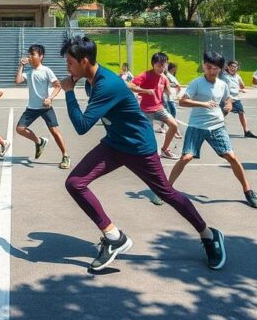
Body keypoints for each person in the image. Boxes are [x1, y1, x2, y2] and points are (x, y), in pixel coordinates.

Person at [59, 35, 226, 272]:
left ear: (84, 61)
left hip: (138, 147)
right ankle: (114, 236)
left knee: (166, 193)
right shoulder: (91, 80)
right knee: (75, 183)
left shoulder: (105, 84)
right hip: (115, 143)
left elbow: (82, 126)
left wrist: (68, 92)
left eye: (70, 62)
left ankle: (209, 234)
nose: (67, 68)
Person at [153, 52, 257, 209]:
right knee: (186, 158)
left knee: (231, 157)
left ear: (220, 69)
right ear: (204, 65)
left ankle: (248, 191)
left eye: (215, 68)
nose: (211, 70)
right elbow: (182, 102)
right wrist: (203, 104)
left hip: (217, 126)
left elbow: (227, 99)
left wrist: (229, 105)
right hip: (197, 126)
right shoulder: (196, 83)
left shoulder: (222, 85)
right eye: (208, 67)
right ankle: (165, 190)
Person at [15, 44, 69, 168]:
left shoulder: (46, 70)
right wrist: (21, 66)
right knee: (20, 129)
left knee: (54, 131)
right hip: (32, 108)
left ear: (40, 56)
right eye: (29, 54)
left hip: (45, 107)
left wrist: (50, 98)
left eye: (33, 54)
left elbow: (58, 85)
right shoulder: (28, 72)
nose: (30, 56)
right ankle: (39, 142)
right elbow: (18, 81)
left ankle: (65, 156)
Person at [128, 53, 182, 159]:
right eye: (159, 66)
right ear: (153, 64)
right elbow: (130, 85)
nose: (162, 68)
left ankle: (164, 150)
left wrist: (175, 91)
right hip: (145, 110)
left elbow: (167, 91)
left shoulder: (164, 78)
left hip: (159, 108)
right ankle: (140, 153)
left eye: (164, 66)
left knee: (174, 126)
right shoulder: (145, 75)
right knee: (148, 136)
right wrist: (145, 91)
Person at [220, 60, 253, 138]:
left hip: (236, 99)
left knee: (241, 112)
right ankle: (214, 128)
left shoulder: (237, 76)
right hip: (227, 98)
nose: (233, 68)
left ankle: (246, 131)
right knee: (224, 113)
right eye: (231, 66)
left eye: (235, 67)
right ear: (227, 67)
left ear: (237, 68)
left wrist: (239, 88)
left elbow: (243, 86)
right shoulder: (223, 75)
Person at [161, 63, 182, 134]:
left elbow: (178, 86)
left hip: (171, 98)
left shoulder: (170, 76)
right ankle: (170, 127)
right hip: (167, 98)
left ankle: (169, 127)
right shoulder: (166, 76)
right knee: (169, 112)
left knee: (169, 112)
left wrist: (176, 93)